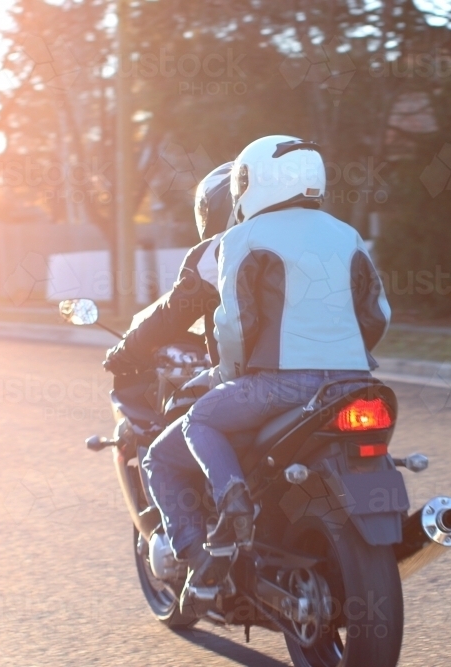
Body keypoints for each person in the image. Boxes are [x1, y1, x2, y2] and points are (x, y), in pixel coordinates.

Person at [158, 135, 392, 597]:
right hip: (351, 384)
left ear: (254, 181)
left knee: (196, 424)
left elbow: (235, 324)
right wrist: (343, 356)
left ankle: (231, 502)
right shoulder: (346, 234)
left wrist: (227, 376)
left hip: (279, 387)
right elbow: (377, 314)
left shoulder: (243, 238)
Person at [102, 161, 234, 375]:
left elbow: (172, 316)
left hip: (249, 381)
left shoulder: (219, 250)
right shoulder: (302, 238)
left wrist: (125, 351)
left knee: (187, 408)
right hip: (303, 380)